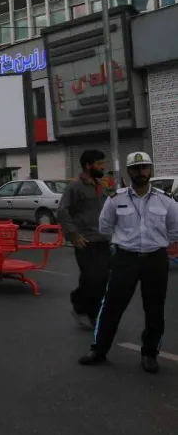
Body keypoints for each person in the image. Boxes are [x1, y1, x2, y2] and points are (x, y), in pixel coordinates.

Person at [79, 152, 178, 373]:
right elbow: (105, 227)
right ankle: (99, 350)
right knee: (112, 307)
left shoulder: (165, 200)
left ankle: (149, 354)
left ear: (150, 170)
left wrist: (156, 241)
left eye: (145, 168)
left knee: (154, 309)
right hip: (126, 259)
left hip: (155, 259)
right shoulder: (116, 199)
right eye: (136, 168)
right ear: (129, 171)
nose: (142, 172)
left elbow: (175, 230)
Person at [57, 149, 110, 329]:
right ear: (88, 165)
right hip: (85, 240)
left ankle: (92, 313)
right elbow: (62, 210)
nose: (103, 167)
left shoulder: (100, 185)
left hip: (103, 240)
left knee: (102, 279)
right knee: (91, 277)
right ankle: (80, 306)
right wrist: (73, 235)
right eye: (99, 164)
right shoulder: (75, 187)